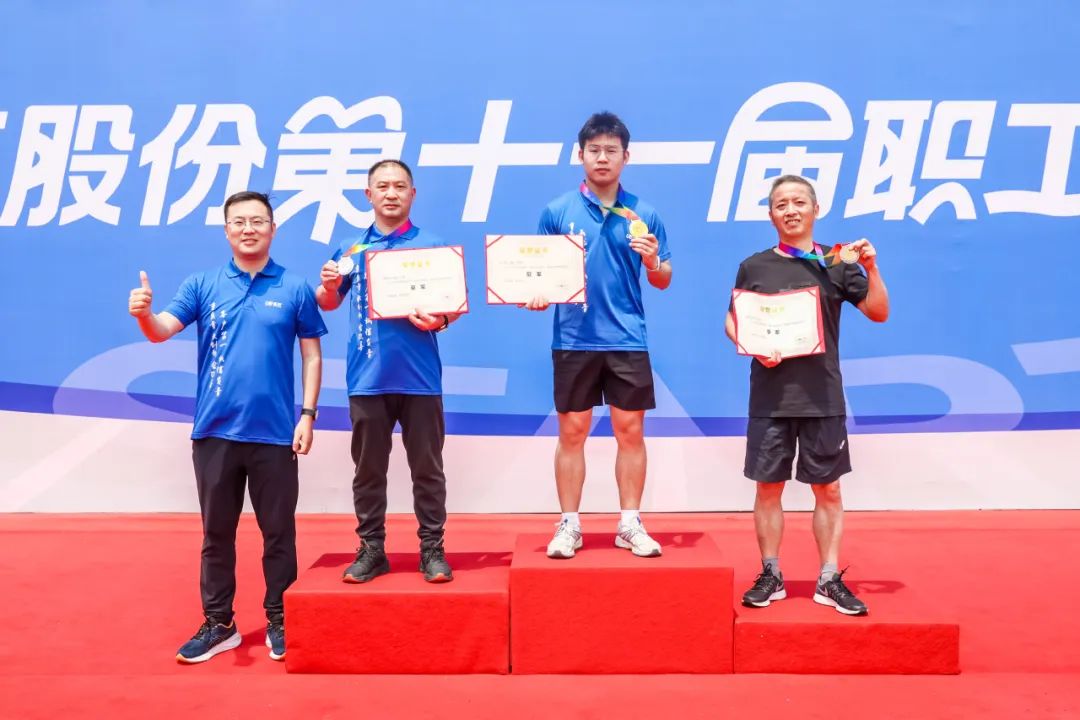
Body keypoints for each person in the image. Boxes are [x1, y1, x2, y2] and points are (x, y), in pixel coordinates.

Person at [128, 190, 326, 662]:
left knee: (279, 534)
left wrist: (307, 415)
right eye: (239, 221)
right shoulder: (203, 284)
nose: (248, 229)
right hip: (215, 432)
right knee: (216, 535)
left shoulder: (294, 287)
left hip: (276, 434)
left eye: (257, 220)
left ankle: (280, 618)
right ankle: (219, 623)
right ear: (226, 231)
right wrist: (144, 315)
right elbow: (161, 331)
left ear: (273, 228)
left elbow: (312, 355)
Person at [725, 174, 889, 616]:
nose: (791, 210)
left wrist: (871, 269)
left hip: (822, 396)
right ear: (771, 215)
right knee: (768, 487)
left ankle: (828, 578)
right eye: (781, 204)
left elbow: (878, 311)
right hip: (770, 397)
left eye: (799, 202)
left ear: (815, 210)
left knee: (828, 490)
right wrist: (754, 346)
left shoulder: (836, 263)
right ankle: (771, 573)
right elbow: (733, 320)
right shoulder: (754, 266)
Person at [526, 111, 673, 559]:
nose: (603, 158)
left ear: (626, 156)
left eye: (612, 150)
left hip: (627, 338)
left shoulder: (644, 214)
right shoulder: (557, 212)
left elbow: (663, 278)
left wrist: (652, 261)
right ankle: (569, 524)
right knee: (572, 432)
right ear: (581, 155)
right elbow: (539, 274)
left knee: (630, 431)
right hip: (573, 339)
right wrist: (536, 294)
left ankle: (629, 522)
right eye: (595, 150)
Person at [316, 159, 459, 584]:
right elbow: (328, 302)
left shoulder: (432, 246)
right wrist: (327, 286)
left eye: (399, 186)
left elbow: (453, 305)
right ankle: (372, 549)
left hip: (420, 379)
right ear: (369, 195)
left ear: (412, 194)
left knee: (428, 469)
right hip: (367, 379)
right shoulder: (350, 249)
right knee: (368, 470)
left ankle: (432, 549)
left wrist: (441, 320)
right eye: (383, 186)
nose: (391, 193)